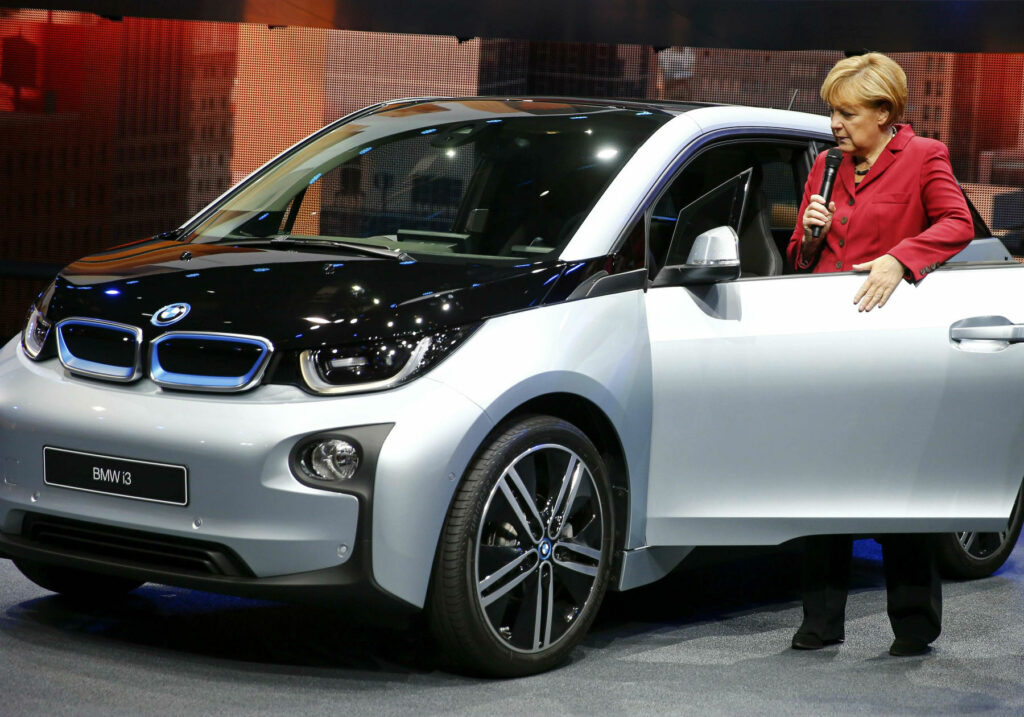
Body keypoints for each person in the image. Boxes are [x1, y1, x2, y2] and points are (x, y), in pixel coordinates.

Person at [786, 52, 974, 656]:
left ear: (884, 112)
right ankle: (821, 621)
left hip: (893, 342)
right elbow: (800, 257)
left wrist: (900, 258)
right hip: (827, 342)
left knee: (898, 480)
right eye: (832, 112)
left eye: (846, 113)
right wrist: (809, 234)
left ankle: (913, 624)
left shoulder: (924, 156)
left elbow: (957, 223)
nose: (834, 124)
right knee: (822, 480)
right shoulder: (825, 167)